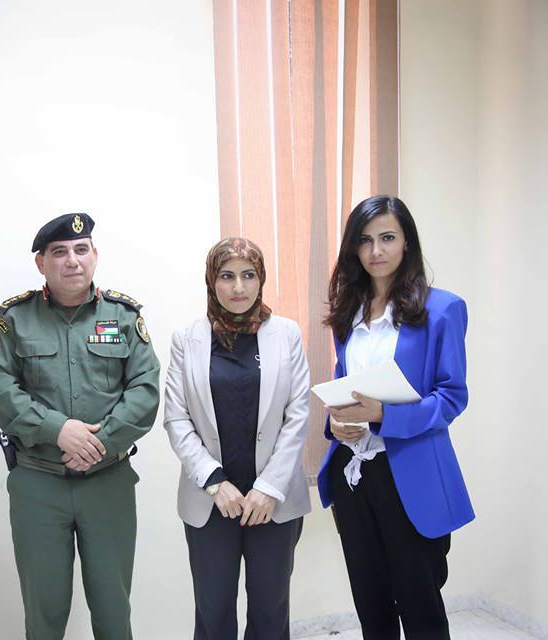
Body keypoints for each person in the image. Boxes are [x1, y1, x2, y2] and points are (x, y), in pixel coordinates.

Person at [0, 213, 160, 640]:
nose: (72, 260)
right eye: (59, 252)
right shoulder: (16, 318)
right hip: (38, 485)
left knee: (113, 609)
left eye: (81, 249)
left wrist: (101, 441)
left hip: (108, 482)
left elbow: (145, 388)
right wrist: (57, 429)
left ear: (95, 255)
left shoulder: (123, 315)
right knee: (43, 612)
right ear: (41, 263)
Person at [317, 195, 474, 640]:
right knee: (371, 606)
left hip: (409, 474)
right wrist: (337, 424)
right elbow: (344, 384)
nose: (376, 251)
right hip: (353, 474)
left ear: (407, 242)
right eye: (365, 240)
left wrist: (385, 415)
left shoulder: (442, 309)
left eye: (387, 238)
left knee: (421, 609)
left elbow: (451, 398)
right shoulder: (348, 313)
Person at [163, 237, 311, 640]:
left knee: (270, 613)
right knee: (213, 614)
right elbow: (176, 418)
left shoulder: (286, 334)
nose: (239, 287)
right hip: (211, 501)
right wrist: (215, 482)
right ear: (212, 281)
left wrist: (269, 487)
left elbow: (297, 415)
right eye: (227, 276)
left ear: (261, 279)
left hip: (273, 501)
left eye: (249, 275)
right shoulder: (187, 339)